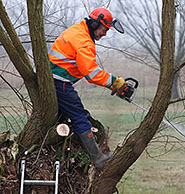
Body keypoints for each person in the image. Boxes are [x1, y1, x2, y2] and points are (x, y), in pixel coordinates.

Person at [48, 8, 126, 169]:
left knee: (64, 116)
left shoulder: (77, 30)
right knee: (80, 117)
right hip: (59, 81)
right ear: (96, 23)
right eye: (104, 29)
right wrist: (114, 82)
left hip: (53, 79)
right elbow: (92, 74)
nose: (104, 34)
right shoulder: (84, 41)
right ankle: (98, 159)